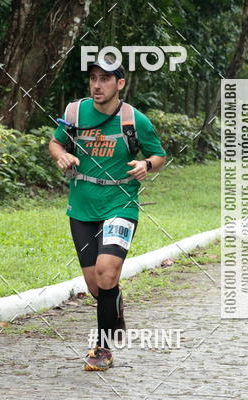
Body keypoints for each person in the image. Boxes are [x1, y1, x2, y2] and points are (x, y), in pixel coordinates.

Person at [49, 56, 166, 371]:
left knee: (107, 271)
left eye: (105, 79)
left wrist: (146, 164)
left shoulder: (134, 120)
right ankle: (115, 307)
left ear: (120, 83)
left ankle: (102, 349)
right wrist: (61, 156)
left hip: (120, 204)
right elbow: (55, 143)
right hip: (82, 207)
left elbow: (159, 154)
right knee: (95, 285)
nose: (97, 85)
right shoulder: (75, 113)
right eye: (93, 78)